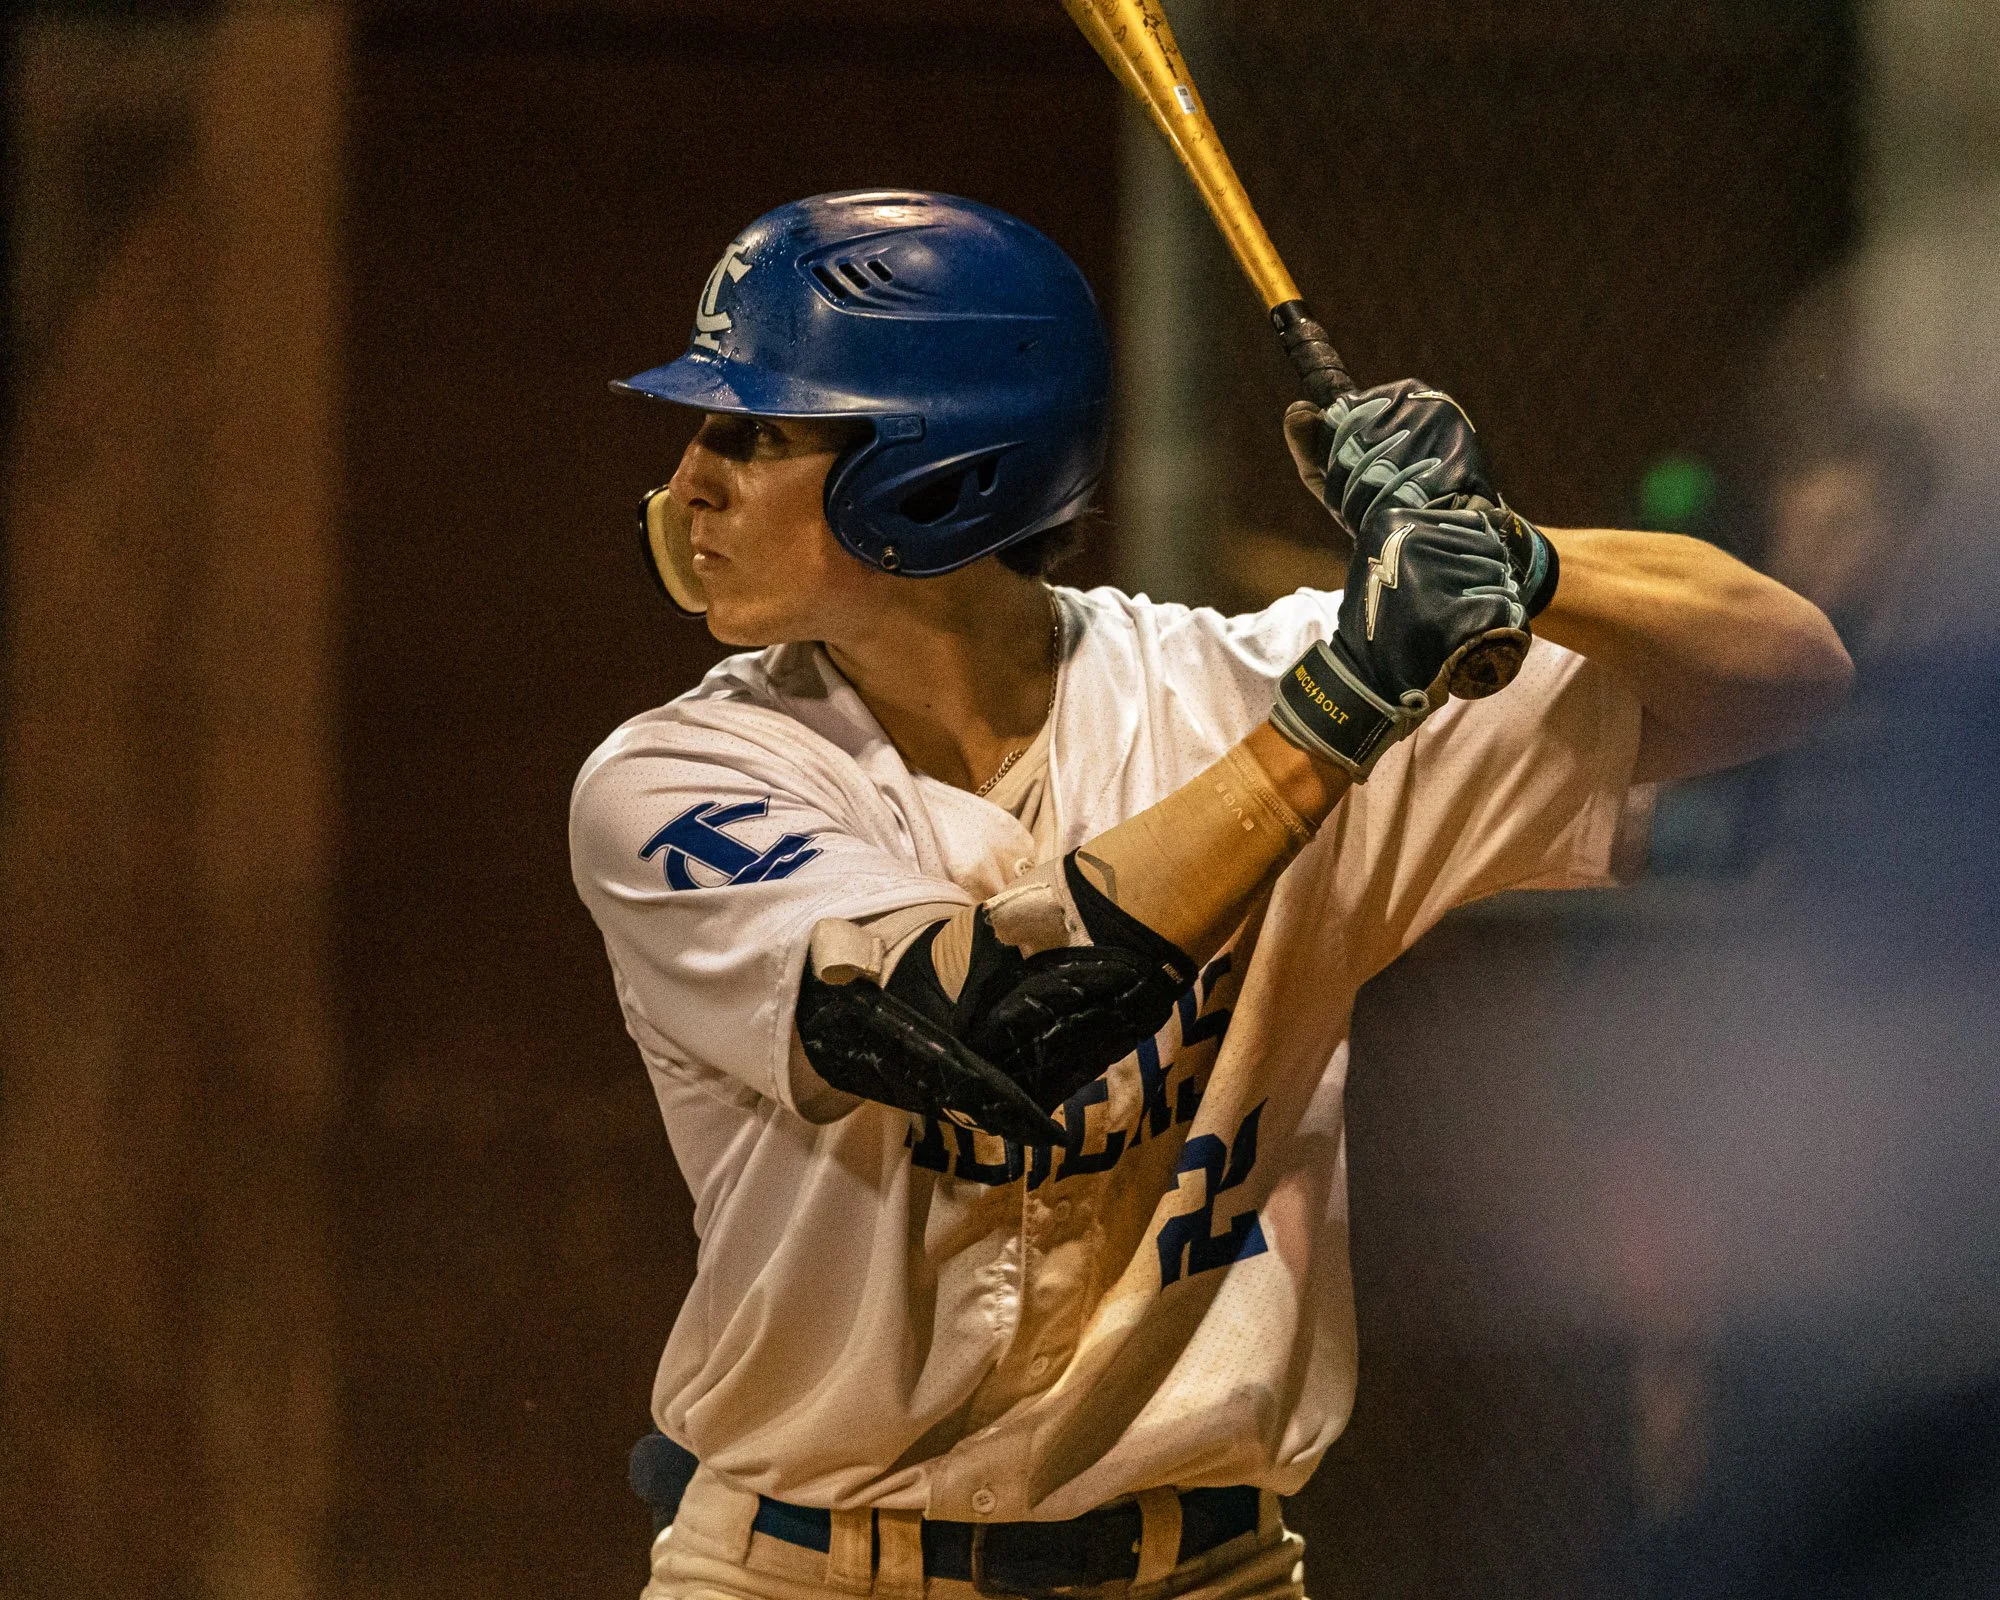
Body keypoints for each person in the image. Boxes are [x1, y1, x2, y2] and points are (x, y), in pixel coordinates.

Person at [570, 190, 1850, 1600]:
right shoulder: (680, 778)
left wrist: (1504, 553)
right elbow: (989, 1025)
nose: (692, 480)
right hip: (799, 1574)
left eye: (756, 433)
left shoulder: (1231, 691)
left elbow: (1786, 672)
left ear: (938, 470)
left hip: (1205, 1573)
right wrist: (1342, 710)